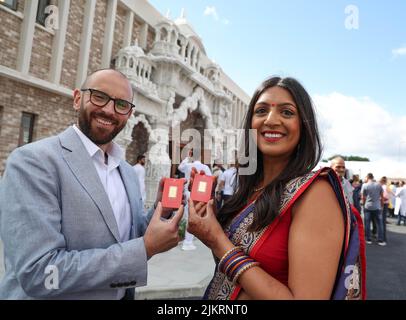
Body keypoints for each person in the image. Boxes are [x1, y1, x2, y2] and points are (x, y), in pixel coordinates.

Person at [0, 69, 184, 299]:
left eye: (121, 104)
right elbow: (40, 273)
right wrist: (145, 249)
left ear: (129, 114)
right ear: (78, 99)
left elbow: (127, 237)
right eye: (99, 96)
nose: (109, 110)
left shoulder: (125, 171)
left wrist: (160, 211)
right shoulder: (33, 162)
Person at [187, 76, 365, 300]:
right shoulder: (251, 189)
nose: (271, 120)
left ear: (304, 126)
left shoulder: (315, 194)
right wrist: (208, 216)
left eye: (287, 112)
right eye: (261, 111)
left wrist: (217, 240)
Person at [178, 149, 212, 251]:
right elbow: (210, 179)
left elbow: (180, 167)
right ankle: (188, 242)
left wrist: (187, 157)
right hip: (198, 193)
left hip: (187, 193)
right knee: (193, 217)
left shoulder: (188, 165)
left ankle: (187, 239)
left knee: (187, 216)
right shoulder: (204, 167)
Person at [361, 173, 385, 246]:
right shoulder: (379, 185)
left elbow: (363, 197)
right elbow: (382, 197)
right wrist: (382, 206)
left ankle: (368, 239)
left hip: (368, 207)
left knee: (367, 223)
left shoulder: (365, 185)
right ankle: (380, 240)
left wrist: (364, 204)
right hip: (377, 207)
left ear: (367, 177)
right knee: (380, 224)